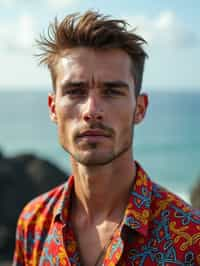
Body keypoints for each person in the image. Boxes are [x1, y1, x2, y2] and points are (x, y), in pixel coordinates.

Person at [13, 10, 200, 266]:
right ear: (53, 107)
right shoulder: (34, 223)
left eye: (112, 91)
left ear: (140, 108)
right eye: (75, 91)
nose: (91, 110)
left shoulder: (190, 237)